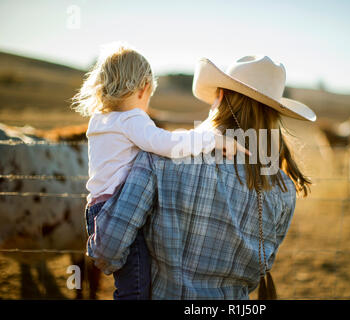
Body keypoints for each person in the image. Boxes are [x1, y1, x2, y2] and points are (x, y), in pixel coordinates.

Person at [88, 55, 317, 299]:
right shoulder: (283, 189)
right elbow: (260, 268)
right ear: (273, 116)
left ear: (219, 97)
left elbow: (108, 250)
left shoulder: (160, 159)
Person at [72, 43, 247, 299]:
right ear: (144, 88)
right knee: (136, 287)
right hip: (119, 209)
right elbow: (166, 144)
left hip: (97, 208)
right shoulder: (132, 119)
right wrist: (213, 139)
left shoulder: (100, 120)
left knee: (129, 282)